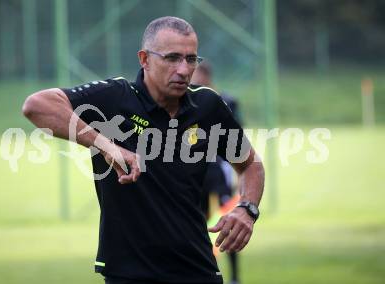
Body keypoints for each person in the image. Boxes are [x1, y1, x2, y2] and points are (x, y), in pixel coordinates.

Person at [22, 16, 264, 284]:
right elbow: (37, 105)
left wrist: (247, 209)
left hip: (198, 268)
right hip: (129, 272)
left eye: (191, 59)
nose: (184, 69)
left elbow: (251, 165)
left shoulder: (208, 106)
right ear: (145, 59)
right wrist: (104, 145)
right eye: (172, 58)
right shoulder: (115, 98)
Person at [192, 62, 242, 284]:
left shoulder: (225, 102)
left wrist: (238, 175)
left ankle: (234, 277)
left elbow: (237, 138)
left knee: (229, 221)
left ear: (207, 77)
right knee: (196, 221)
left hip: (221, 169)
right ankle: (199, 270)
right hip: (199, 170)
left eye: (197, 75)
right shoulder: (184, 105)